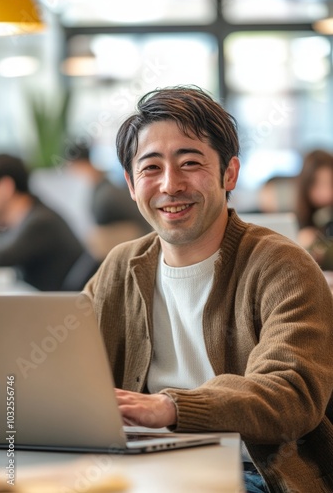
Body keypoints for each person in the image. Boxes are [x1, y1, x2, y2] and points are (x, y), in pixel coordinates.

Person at [84, 86, 333, 493]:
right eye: (151, 168)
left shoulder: (282, 265)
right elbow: (63, 369)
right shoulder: (120, 267)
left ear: (229, 173)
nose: (170, 184)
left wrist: (170, 407)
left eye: (190, 162)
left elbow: (290, 393)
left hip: (255, 474)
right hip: (141, 466)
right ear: (131, 184)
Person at [0, 153, 85, 291]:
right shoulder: (29, 216)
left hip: (57, 307)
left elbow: (3, 257)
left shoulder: (41, 222)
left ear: (6, 187)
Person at [65, 142, 151, 259]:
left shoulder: (105, 194)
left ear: (78, 164)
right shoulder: (103, 184)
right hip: (136, 237)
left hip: (137, 240)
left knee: (93, 239)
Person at [295, 149, 333, 271]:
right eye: (318, 184)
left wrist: (320, 250)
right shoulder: (298, 217)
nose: (326, 193)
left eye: (330, 183)